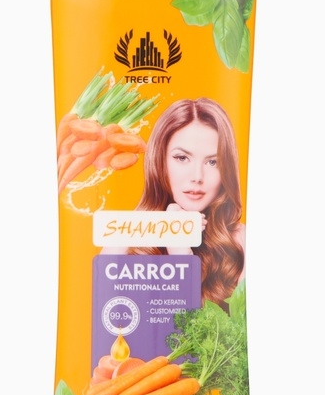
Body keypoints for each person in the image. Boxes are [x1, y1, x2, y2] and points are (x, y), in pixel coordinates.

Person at [103, 97, 245, 310]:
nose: (197, 176)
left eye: (213, 162)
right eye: (182, 158)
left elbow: (204, 331)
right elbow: (103, 323)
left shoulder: (239, 242)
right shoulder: (125, 236)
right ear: (160, 160)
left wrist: (181, 255)